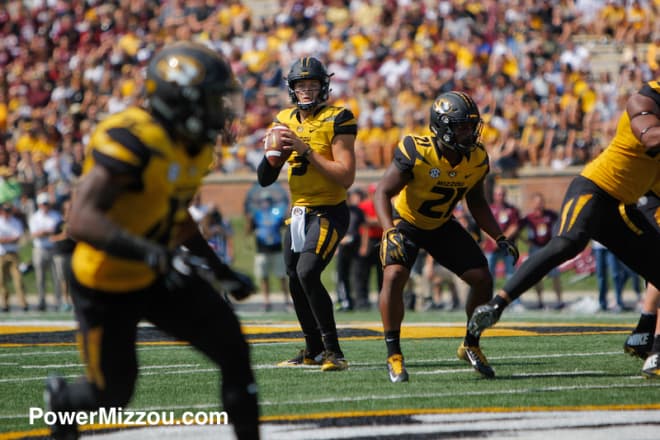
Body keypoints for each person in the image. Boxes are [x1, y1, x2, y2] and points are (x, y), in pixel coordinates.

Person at [43, 42, 259, 440]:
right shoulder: (132, 137)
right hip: (106, 282)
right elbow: (81, 219)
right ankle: (62, 401)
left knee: (234, 349)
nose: (220, 110)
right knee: (110, 396)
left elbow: (176, 220)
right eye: (211, 99)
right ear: (183, 101)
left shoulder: (194, 149)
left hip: (157, 271)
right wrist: (152, 255)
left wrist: (219, 268)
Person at [468, 81, 660, 368]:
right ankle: (497, 304)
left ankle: (651, 347)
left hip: (623, 207)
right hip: (593, 189)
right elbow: (652, 138)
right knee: (569, 242)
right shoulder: (645, 99)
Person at [373, 91, 519, 382]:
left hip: (441, 224)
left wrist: (498, 236)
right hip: (407, 222)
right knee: (394, 276)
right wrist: (389, 230)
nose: (469, 131)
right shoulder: (417, 150)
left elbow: (476, 202)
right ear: (442, 127)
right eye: (462, 126)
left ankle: (471, 343)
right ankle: (394, 354)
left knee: (482, 279)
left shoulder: (476, 158)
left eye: (471, 125)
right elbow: (382, 191)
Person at [257, 56, 357, 371]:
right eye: (301, 85)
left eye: (312, 84)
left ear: (324, 86)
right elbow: (264, 179)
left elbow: (345, 176)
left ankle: (334, 351)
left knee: (308, 272)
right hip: (299, 213)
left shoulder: (338, 117)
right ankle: (312, 349)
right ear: (291, 88)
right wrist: (273, 157)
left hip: (329, 210)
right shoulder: (284, 118)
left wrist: (305, 149)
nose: (306, 90)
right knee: (295, 278)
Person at [518, 192, 564, 310]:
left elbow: (561, 224)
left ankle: (559, 300)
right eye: (537, 203)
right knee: (536, 275)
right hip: (535, 248)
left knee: (555, 275)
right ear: (533, 204)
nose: (539, 205)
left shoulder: (551, 215)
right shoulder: (529, 217)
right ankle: (540, 301)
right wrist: (526, 241)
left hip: (549, 248)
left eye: (541, 202)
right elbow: (517, 229)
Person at [247, 191, 289, 312]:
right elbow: (249, 231)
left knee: (282, 276)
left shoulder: (276, 213)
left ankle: (287, 300)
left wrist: (286, 217)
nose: (265, 203)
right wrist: (249, 220)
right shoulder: (257, 215)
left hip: (276, 248)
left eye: (267, 201)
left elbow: (285, 225)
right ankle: (266, 301)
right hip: (262, 249)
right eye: (263, 201)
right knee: (264, 277)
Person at [28, 191, 62, 311]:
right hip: (40, 249)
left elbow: (59, 231)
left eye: (47, 203)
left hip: (54, 248)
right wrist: (48, 232)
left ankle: (59, 302)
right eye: (43, 203)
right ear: (39, 204)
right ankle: (41, 301)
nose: (45, 206)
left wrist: (45, 232)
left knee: (57, 277)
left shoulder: (56, 215)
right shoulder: (35, 217)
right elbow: (35, 234)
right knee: (40, 277)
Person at [335, 186, 366, 311]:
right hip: (342, 246)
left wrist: (364, 245)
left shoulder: (357, 211)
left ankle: (360, 300)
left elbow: (364, 229)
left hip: (355, 244)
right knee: (342, 274)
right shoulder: (337, 211)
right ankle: (345, 300)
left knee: (358, 274)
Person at [354, 183, 383, 309]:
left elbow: (373, 221)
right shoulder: (363, 206)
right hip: (367, 240)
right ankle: (362, 301)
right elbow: (364, 223)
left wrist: (373, 221)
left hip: (381, 240)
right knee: (362, 273)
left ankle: (382, 300)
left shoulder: (383, 205)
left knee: (382, 274)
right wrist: (364, 245)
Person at [482, 185, 520, 281]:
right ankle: (488, 296)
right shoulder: (488, 209)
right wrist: (494, 240)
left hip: (508, 247)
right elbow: (483, 227)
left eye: (502, 194)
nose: (500, 197)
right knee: (489, 274)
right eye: (498, 194)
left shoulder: (511, 210)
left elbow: (514, 226)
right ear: (494, 195)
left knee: (510, 273)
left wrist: (502, 240)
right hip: (491, 247)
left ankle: (512, 296)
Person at [0, 203, 28, 312]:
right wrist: (9, 239)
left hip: (13, 254)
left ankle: (23, 303)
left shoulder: (16, 222)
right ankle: (5, 303)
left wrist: (5, 240)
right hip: (1, 254)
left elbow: (17, 238)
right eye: (5, 211)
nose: (7, 213)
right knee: (1, 281)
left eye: (8, 211)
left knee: (18, 279)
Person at [591, 240, 626, 311]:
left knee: (615, 275)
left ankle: (619, 302)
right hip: (598, 247)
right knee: (601, 277)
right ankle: (602, 303)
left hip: (611, 246)